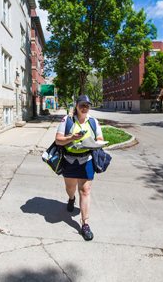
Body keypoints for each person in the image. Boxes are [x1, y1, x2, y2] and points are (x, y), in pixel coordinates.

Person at [55, 95, 104, 241]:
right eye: (82, 104)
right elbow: (58, 140)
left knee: (85, 190)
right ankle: (71, 198)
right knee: (71, 188)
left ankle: (85, 224)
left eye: (87, 105)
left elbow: (100, 139)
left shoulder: (93, 121)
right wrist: (71, 138)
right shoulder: (67, 120)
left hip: (87, 159)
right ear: (76, 105)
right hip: (69, 160)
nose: (85, 107)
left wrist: (94, 143)